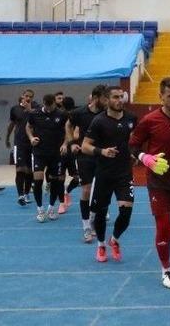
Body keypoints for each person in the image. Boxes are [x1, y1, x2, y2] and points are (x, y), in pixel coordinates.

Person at [129, 77, 170, 289]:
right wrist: (145, 159)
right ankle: (166, 269)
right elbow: (133, 146)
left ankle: (162, 241)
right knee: (163, 225)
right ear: (161, 96)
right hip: (158, 183)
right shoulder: (149, 120)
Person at [80, 86, 139, 263]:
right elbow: (85, 146)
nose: (120, 100)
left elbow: (134, 140)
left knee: (126, 212)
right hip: (104, 173)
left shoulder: (131, 119)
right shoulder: (99, 121)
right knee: (100, 213)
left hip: (124, 173)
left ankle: (114, 240)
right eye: (115, 97)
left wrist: (133, 152)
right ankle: (101, 245)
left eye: (122, 96)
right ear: (107, 100)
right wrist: (102, 151)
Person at [67, 84, 108, 242]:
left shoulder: (107, 113)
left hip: (102, 155)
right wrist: (71, 143)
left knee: (99, 192)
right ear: (96, 98)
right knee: (86, 190)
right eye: (105, 98)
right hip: (84, 156)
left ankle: (93, 217)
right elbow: (68, 125)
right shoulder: (79, 112)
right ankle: (86, 227)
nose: (107, 101)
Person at [26, 93, 68, 222]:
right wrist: (31, 138)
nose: (49, 109)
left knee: (55, 181)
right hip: (40, 152)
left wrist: (65, 144)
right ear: (43, 103)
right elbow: (28, 127)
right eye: (47, 106)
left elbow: (68, 130)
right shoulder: (35, 114)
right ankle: (40, 209)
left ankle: (51, 208)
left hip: (56, 153)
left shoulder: (61, 114)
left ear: (55, 103)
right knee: (38, 180)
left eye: (52, 106)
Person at [6, 90, 35, 206]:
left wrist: (29, 109)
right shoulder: (15, 109)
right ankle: (20, 195)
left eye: (30, 97)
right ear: (22, 96)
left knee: (29, 171)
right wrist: (7, 137)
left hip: (32, 143)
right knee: (20, 169)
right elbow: (11, 124)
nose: (28, 98)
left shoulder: (36, 108)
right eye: (26, 96)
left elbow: (38, 117)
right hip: (19, 143)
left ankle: (27, 193)